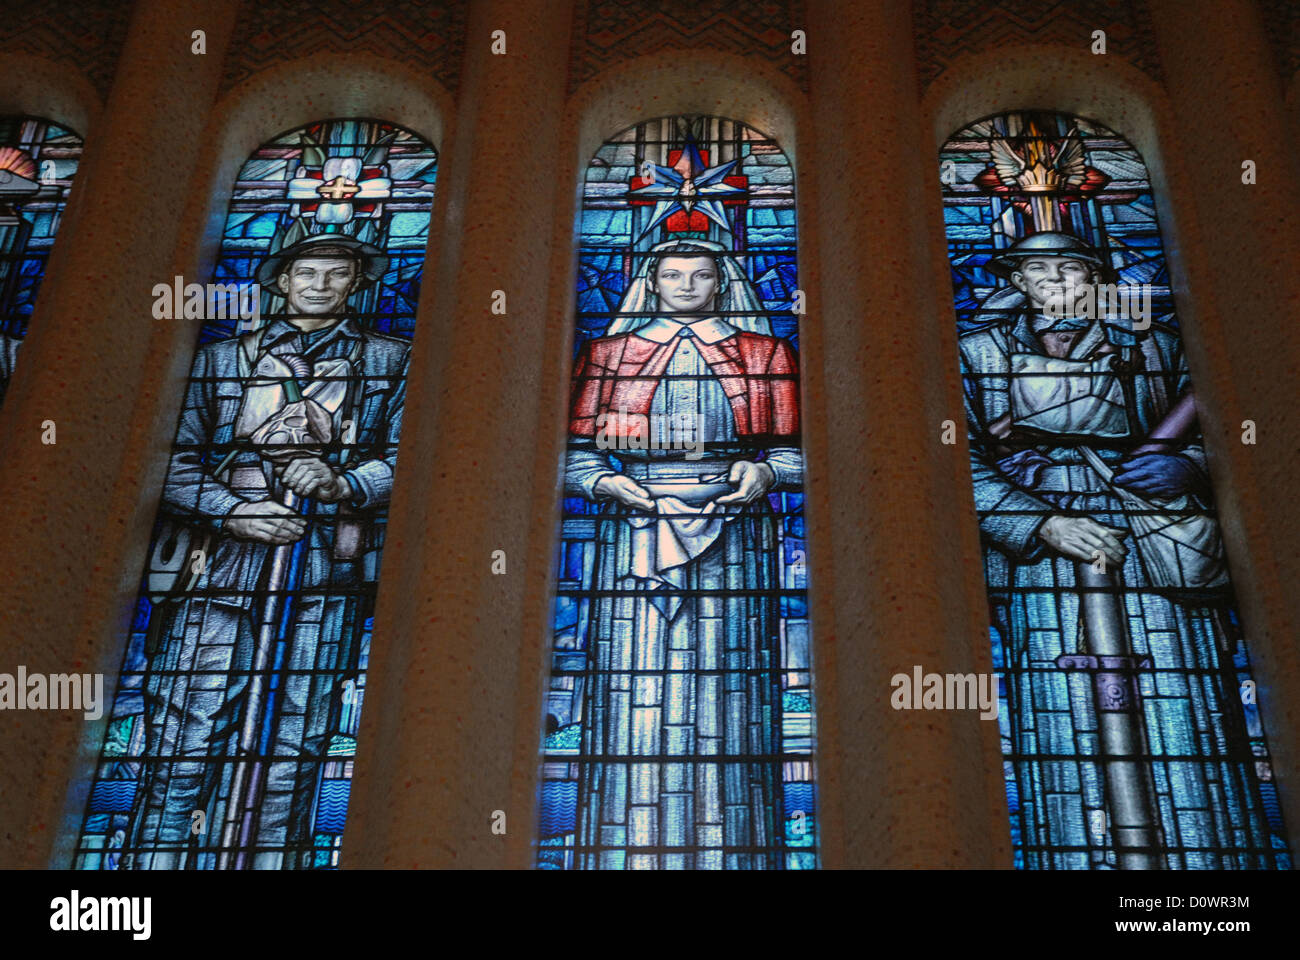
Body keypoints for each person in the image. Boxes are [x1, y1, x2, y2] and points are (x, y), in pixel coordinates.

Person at [959, 231, 1275, 868]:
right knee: (1058, 707)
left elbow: (1242, 430)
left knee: (1180, 701)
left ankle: (1209, 875)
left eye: (1071, 266)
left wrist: (1187, 468)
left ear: (1095, 276)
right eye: (1038, 269)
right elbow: (949, 460)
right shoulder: (976, 351)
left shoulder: (1154, 343)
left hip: (1152, 537)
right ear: (1017, 281)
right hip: (1039, 553)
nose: (1056, 279)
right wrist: (1040, 523)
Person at [126, 234, 409, 869]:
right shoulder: (223, 360)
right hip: (215, 565)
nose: (319, 284)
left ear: (357, 284)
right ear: (280, 282)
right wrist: (234, 510)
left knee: (298, 735)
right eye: (305, 272)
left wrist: (347, 482)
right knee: (185, 731)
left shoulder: (393, 360)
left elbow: (412, 458)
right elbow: (161, 461)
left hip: (325, 563)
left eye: (337, 274)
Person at [564, 238, 802, 869]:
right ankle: (622, 850)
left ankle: (740, 849)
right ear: (653, 282)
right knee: (629, 686)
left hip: (737, 530)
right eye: (673, 274)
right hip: (634, 526)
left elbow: (800, 450)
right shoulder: (610, 353)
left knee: (733, 687)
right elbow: (575, 454)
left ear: (723, 284)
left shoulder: (766, 353)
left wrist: (770, 475)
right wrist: (602, 482)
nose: (687, 285)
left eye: (702, 275)